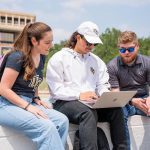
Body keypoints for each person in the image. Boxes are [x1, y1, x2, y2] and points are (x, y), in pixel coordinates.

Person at [46, 21, 128, 150]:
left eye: (94, 44)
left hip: (91, 103)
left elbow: (102, 84)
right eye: (88, 42)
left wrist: (104, 96)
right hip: (63, 103)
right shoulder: (59, 58)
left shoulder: (97, 61)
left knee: (116, 110)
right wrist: (79, 95)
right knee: (88, 113)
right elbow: (56, 91)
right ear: (78, 37)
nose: (91, 46)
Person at [0, 22, 69, 150]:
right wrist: (27, 107)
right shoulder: (17, 57)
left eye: (52, 41)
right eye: (47, 42)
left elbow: (35, 79)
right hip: (6, 104)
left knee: (62, 121)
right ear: (34, 41)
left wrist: (36, 97)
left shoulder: (41, 57)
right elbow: (3, 89)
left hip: (29, 102)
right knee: (46, 127)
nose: (51, 45)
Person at [107, 31, 150, 150]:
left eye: (130, 49)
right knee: (118, 111)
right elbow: (116, 96)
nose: (126, 53)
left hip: (145, 99)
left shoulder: (147, 62)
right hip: (125, 103)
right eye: (122, 50)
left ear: (137, 46)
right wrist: (132, 101)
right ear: (118, 49)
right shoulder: (112, 66)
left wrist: (149, 100)